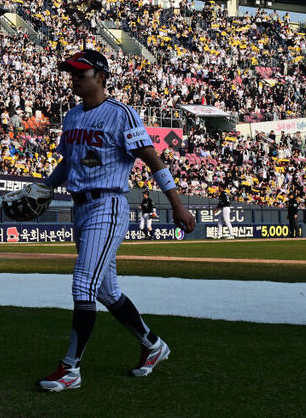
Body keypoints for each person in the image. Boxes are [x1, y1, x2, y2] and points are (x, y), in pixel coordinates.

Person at [35, 49, 196, 392]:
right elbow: (67, 163)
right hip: (80, 207)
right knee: (107, 291)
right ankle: (153, 345)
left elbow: (153, 161)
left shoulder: (121, 114)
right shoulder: (73, 116)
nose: (74, 77)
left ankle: (70, 368)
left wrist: (178, 206)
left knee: (83, 284)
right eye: (72, 72)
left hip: (107, 204)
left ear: (102, 77)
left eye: (81, 72)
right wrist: (46, 186)